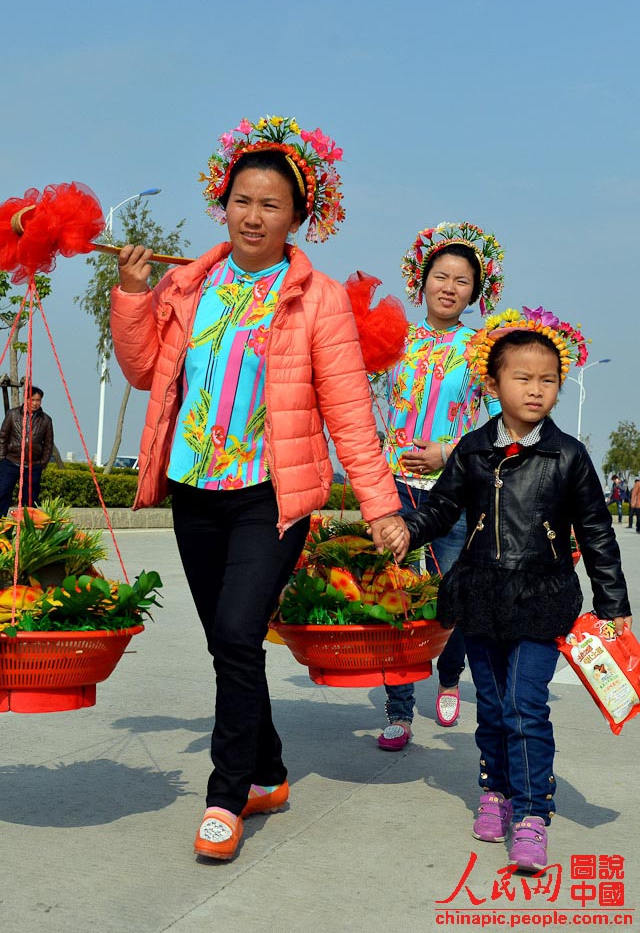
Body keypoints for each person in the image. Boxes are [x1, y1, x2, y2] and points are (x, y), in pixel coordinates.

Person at [110, 114, 404, 862]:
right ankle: (269, 769)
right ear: (223, 204)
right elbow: (147, 373)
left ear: (298, 217)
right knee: (227, 643)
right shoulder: (189, 282)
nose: (253, 215)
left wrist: (382, 508)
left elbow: (347, 413)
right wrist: (133, 297)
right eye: (243, 199)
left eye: (271, 204)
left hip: (269, 497)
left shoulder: (318, 299)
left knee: (239, 634)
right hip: (193, 489)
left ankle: (226, 793)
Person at [379, 305, 631, 872]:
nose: (535, 390)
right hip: (481, 596)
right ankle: (493, 791)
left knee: (525, 703)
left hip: (543, 598)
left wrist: (613, 605)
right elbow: (441, 508)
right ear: (493, 384)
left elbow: (596, 534)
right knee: (491, 705)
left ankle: (533, 812)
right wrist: (405, 529)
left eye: (548, 380)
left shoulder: (569, 455)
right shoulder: (473, 448)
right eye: (522, 378)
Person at [376, 222, 504, 750]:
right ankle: (399, 709)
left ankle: (449, 679)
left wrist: (448, 452)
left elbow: (500, 424)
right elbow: (353, 393)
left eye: (462, 280)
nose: (450, 287)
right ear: (421, 280)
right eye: (441, 276)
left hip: (455, 492)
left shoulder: (483, 349)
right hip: (395, 489)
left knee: (452, 593)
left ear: (476, 292)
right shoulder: (392, 338)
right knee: (396, 594)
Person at [0, 386, 53, 517]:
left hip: (33, 465)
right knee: (3, 493)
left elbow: (48, 444)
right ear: (26, 399)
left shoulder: (46, 420)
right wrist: (2, 458)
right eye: (32, 399)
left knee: (30, 499)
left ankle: (26, 528)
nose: (35, 403)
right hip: (10, 462)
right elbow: (3, 437)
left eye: (38, 400)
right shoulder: (12, 414)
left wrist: (43, 463)